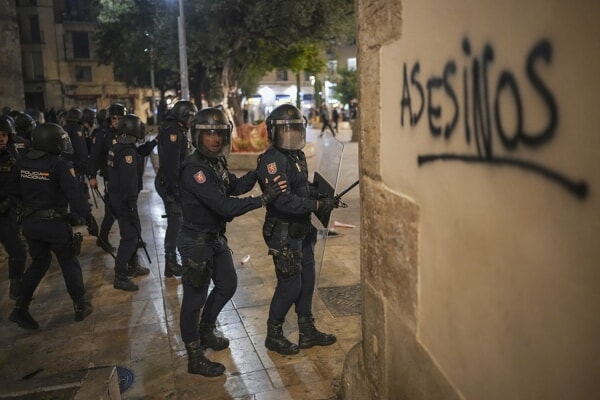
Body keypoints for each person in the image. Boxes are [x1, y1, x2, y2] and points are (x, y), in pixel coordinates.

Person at [177, 107, 287, 377]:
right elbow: (225, 206)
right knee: (194, 299)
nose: (215, 139)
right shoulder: (195, 170)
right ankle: (194, 356)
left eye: (220, 133)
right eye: (209, 134)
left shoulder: (215, 162)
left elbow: (234, 186)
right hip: (196, 242)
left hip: (213, 238)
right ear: (197, 136)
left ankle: (206, 330)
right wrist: (263, 199)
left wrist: (258, 171)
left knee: (228, 284)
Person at [256, 103, 338, 355]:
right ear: (274, 132)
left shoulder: (296, 155)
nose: (291, 134)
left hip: (302, 230)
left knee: (307, 280)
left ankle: (307, 331)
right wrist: (315, 203)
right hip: (283, 233)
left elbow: (299, 189)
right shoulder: (272, 161)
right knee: (289, 285)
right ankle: (274, 334)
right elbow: (284, 201)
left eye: (295, 128)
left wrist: (323, 195)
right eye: (285, 129)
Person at [9, 123, 98, 330]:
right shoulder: (58, 165)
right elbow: (74, 196)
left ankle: (20, 308)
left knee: (39, 263)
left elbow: (12, 191)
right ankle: (79, 305)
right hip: (54, 225)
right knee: (68, 261)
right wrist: (88, 217)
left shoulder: (22, 164)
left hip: (31, 225)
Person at [106, 114, 151, 291]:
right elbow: (128, 182)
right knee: (130, 237)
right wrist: (131, 204)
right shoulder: (127, 153)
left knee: (136, 231)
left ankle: (133, 265)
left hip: (118, 199)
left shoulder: (119, 147)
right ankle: (120, 275)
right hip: (124, 201)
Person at [155, 100, 197, 277]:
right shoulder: (173, 132)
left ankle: (170, 264)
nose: (191, 121)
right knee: (176, 222)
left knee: (178, 222)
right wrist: (176, 190)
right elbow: (172, 166)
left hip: (173, 183)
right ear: (182, 116)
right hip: (170, 185)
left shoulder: (179, 130)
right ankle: (171, 262)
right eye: (190, 117)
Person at [88, 103, 125, 252]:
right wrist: (92, 176)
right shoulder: (102, 134)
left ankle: (129, 236)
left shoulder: (123, 131)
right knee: (112, 209)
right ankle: (103, 238)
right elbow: (94, 157)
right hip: (110, 177)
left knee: (120, 208)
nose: (116, 121)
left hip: (123, 176)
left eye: (119, 118)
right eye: (113, 118)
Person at [0, 115, 27, 300]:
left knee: (18, 252)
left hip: (6, 214)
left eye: (4, 134)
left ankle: (16, 289)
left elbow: (19, 185)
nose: (1, 138)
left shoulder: (12, 157)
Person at [62, 108, 89, 199]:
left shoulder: (62, 129)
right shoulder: (77, 130)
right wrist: (85, 166)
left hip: (65, 165)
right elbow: (81, 149)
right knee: (78, 193)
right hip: (76, 166)